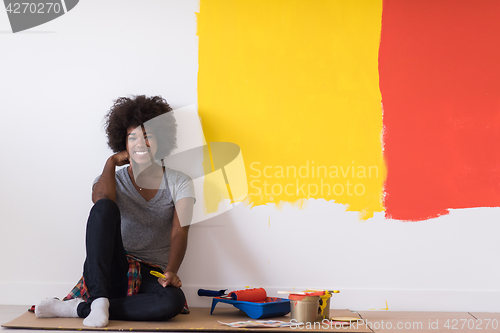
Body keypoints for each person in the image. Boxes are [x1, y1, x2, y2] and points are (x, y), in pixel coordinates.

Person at [35, 95, 195, 327]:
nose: (140, 143)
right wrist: (111, 162)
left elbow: (179, 232)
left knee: (173, 301)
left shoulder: (180, 182)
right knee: (104, 208)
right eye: (133, 138)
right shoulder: (111, 178)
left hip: (151, 274)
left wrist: (171, 272)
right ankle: (99, 300)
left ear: (161, 140)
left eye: (148, 136)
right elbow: (100, 205)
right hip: (111, 270)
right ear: (124, 143)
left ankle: (79, 308)